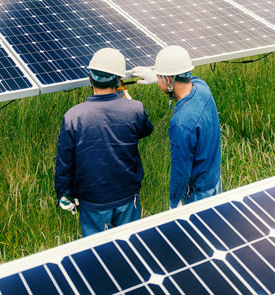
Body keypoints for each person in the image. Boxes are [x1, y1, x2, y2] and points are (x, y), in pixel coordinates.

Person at [55, 48, 153, 236]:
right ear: (119, 81)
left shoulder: (73, 116)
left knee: (98, 254)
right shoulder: (134, 109)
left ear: (90, 79)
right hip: (127, 195)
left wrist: (63, 193)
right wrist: (128, 101)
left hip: (92, 200)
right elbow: (145, 130)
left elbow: (65, 162)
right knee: (129, 245)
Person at [133, 45, 222, 209]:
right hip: (214, 180)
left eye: (159, 77)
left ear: (168, 80)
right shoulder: (202, 88)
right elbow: (189, 78)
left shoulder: (181, 123)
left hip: (198, 194)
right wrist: (156, 76)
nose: (158, 80)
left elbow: (180, 172)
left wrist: (175, 203)